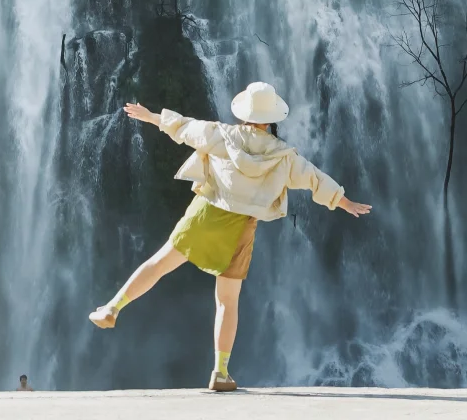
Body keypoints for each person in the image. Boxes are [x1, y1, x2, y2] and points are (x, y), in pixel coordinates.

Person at [88, 80, 371, 392]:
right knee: (226, 302)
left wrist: (152, 116)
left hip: (205, 214)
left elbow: (184, 128)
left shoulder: (223, 135)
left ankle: (113, 307)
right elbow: (314, 178)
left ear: (245, 112)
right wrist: (343, 201)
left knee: (158, 265)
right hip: (240, 229)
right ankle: (220, 372)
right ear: (271, 118)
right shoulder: (283, 156)